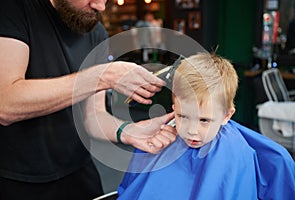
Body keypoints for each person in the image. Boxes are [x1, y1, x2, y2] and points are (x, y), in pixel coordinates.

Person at [0, 0, 177, 199]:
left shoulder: (95, 31)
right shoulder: (14, 10)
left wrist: (128, 131)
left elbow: (93, 116)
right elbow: (6, 104)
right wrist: (102, 77)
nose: (100, 7)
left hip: (78, 172)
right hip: (18, 180)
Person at [118, 52, 295, 199]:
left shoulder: (233, 153)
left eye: (204, 120)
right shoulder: (160, 140)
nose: (191, 130)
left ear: (227, 115)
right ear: (174, 108)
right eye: (182, 116)